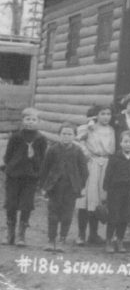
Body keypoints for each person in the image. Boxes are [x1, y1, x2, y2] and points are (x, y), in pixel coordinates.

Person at [38, 122, 88, 252]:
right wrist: (44, 187)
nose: (66, 136)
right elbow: (44, 169)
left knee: (67, 214)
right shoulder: (52, 150)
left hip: (71, 189)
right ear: (59, 135)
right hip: (54, 187)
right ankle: (51, 240)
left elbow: (84, 171)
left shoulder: (78, 151)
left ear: (74, 136)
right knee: (53, 214)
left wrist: (80, 185)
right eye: (64, 134)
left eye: (69, 134)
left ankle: (62, 240)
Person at [3, 107, 47, 247]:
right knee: (11, 204)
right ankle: (10, 234)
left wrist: (34, 160)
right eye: (28, 119)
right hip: (14, 176)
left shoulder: (41, 139)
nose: (30, 122)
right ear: (22, 121)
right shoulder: (15, 137)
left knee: (26, 205)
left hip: (30, 177)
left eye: (34, 119)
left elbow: (42, 160)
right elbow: (7, 156)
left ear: (39, 122)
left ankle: (21, 235)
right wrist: (11, 167)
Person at [75, 103, 115, 245]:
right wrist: (86, 154)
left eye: (108, 114)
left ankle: (93, 234)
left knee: (98, 201)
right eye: (102, 114)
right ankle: (81, 235)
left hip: (106, 165)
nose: (106, 117)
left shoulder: (111, 130)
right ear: (96, 115)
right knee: (86, 200)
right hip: (91, 164)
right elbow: (78, 141)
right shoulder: (89, 128)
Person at [102, 131, 130, 253]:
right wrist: (106, 191)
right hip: (115, 191)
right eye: (125, 141)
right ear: (120, 143)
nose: (128, 144)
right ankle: (109, 241)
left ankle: (120, 240)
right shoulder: (115, 157)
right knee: (113, 216)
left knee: (125, 216)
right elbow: (108, 175)